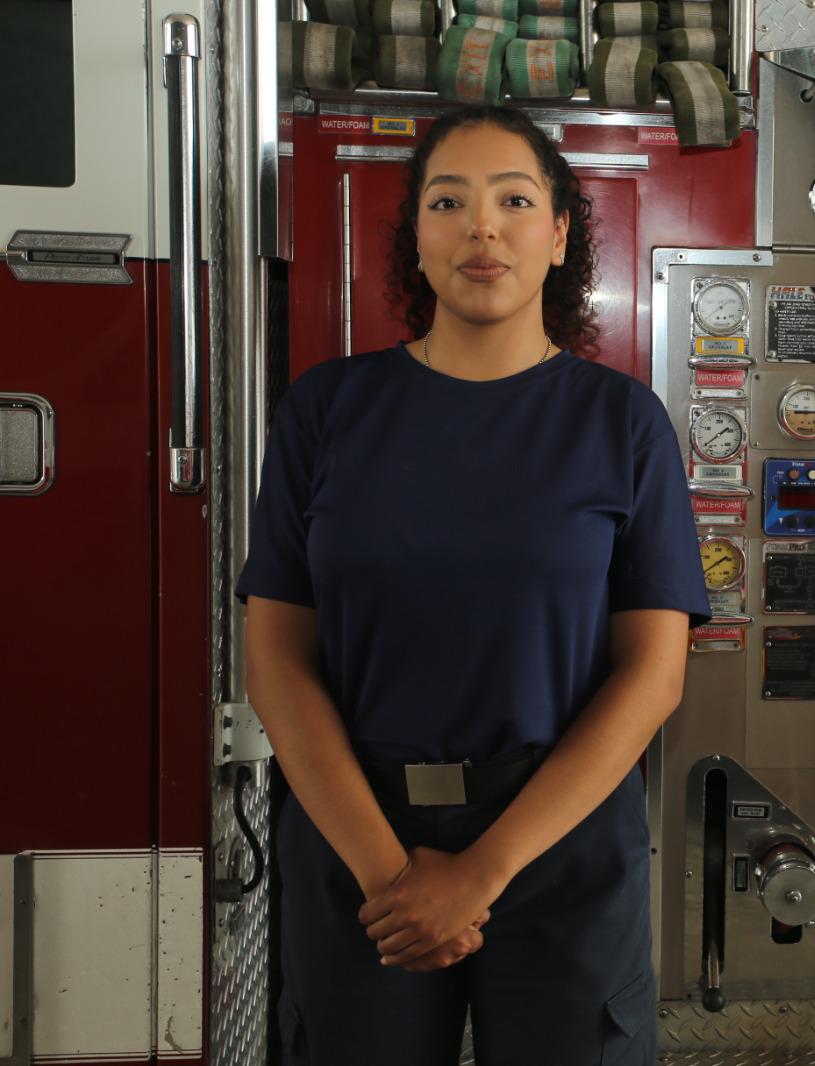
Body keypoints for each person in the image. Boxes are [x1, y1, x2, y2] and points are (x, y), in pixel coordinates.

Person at [236, 104, 710, 1065]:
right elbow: (278, 656)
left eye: (514, 200)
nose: (481, 227)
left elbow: (653, 675)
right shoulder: (325, 412)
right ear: (416, 234)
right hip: (355, 844)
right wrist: (392, 876)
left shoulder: (622, 425)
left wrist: (483, 870)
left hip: (558, 849)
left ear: (560, 232)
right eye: (448, 201)